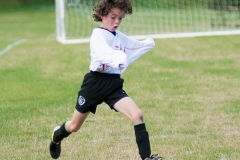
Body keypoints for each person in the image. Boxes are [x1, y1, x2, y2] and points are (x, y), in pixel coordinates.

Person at [49, 0, 163, 159]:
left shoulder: (119, 36)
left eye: (120, 18)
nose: (117, 22)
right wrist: (118, 59)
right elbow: (103, 53)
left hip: (113, 85)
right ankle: (57, 136)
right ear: (102, 15)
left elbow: (132, 46)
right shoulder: (98, 35)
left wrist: (147, 44)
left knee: (137, 114)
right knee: (74, 126)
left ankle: (147, 157)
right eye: (113, 17)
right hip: (94, 84)